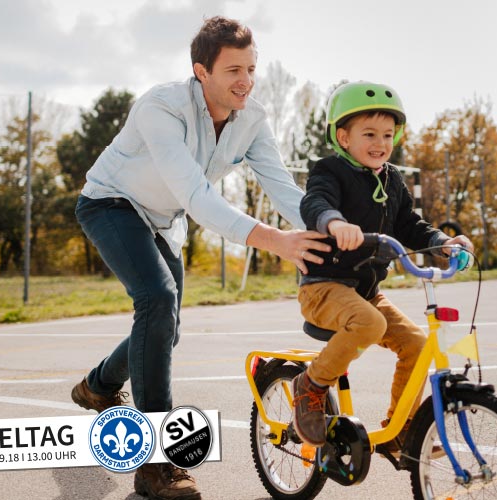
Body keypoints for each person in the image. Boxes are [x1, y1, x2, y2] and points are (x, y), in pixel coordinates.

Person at [69, 17, 329, 500]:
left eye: (251, 68)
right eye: (233, 69)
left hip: (163, 220)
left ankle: (99, 386)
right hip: (110, 204)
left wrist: (328, 224)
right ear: (200, 71)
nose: (245, 80)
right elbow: (194, 193)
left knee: (166, 326)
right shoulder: (161, 107)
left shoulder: (252, 118)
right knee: (157, 299)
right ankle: (154, 464)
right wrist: (275, 241)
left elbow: (283, 188)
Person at [291, 82, 474, 457]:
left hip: (366, 292)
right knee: (370, 324)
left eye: (388, 135)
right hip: (323, 287)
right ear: (343, 137)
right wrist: (333, 222)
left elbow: (409, 224)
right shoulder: (329, 170)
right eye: (369, 134)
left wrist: (442, 241)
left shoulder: (392, 180)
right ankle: (311, 385)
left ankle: (400, 431)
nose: (381, 142)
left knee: (418, 345)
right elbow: (316, 202)